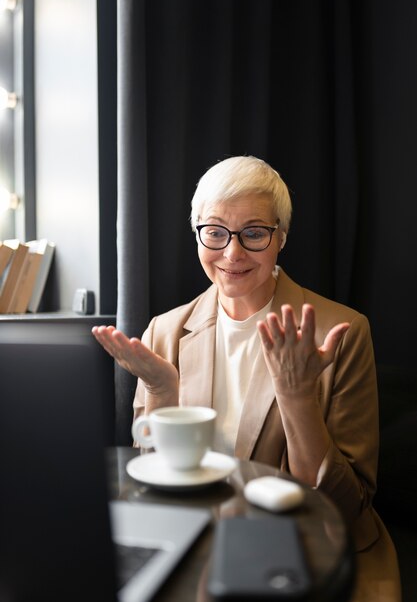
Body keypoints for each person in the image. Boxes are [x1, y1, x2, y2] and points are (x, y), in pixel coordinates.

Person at [93, 155, 401, 602]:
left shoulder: (341, 331)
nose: (232, 253)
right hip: (198, 546)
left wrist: (297, 399)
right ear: (197, 232)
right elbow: (159, 484)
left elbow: (344, 505)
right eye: (215, 232)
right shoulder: (165, 330)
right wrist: (163, 391)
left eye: (254, 233)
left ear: (281, 238)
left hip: (307, 552)